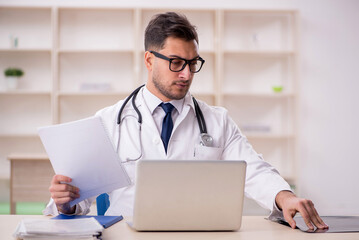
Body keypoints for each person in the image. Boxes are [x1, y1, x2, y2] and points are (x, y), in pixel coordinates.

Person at [44, 12, 328, 230]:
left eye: (193, 63)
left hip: (198, 234)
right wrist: (65, 202)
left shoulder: (218, 121)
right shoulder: (107, 122)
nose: (187, 74)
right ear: (148, 60)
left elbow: (254, 170)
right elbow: (78, 201)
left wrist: (283, 196)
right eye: (176, 62)